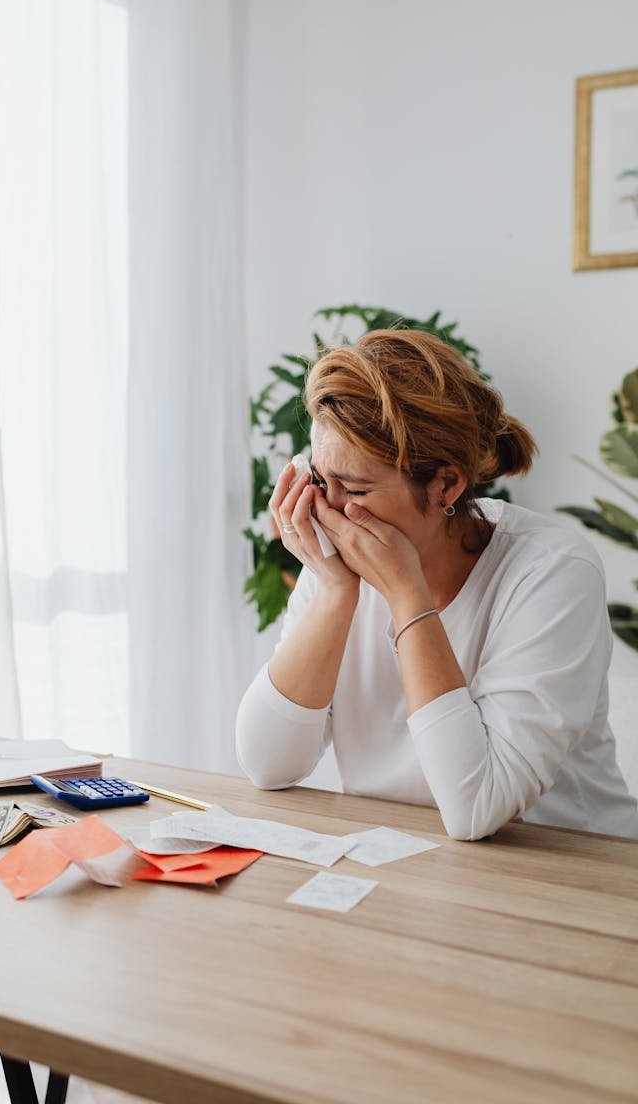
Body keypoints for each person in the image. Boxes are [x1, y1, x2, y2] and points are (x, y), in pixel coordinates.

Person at [236, 329, 638, 840]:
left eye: (355, 488)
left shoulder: (552, 570)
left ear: (446, 484)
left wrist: (408, 597)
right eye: (319, 480)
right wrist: (335, 594)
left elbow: (476, 808)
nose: (327, 508)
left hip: (570, 875)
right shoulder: (339, 566)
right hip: (411, 868)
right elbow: (268, 765)